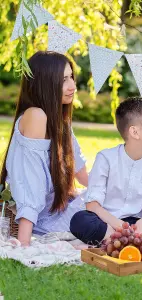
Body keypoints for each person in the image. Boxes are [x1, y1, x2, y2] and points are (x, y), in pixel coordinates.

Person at [0, 51, 88, 246]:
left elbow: (81, 173)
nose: (73, 86)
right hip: (42, 219)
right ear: (45, 83)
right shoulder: (36, 116)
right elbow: (29, 182)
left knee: (120, 200)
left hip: (58, 208)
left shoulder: (59, 120)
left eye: (71, 77)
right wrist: (24, 243)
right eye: (64, 79)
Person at [70, 97, 142, 245]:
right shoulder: (105, 158)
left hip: (137, 224)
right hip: (106, 221)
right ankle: (125, 238)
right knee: (80, 220)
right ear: (135, 132)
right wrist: (119, 226)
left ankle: (127, 239)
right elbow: (92, 205)